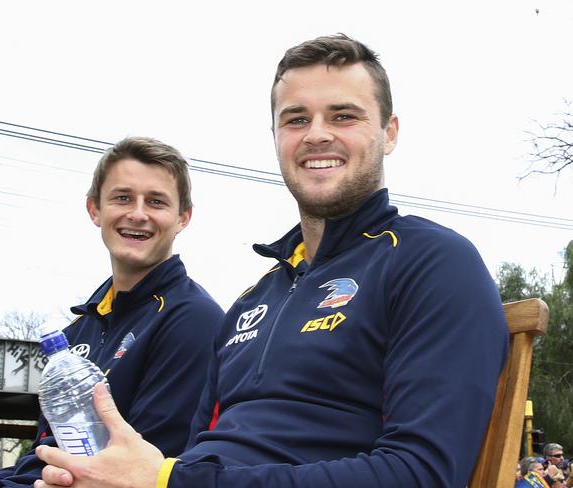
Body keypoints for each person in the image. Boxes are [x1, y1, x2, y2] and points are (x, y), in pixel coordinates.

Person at [35, 33, 507, 487]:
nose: (316, 135)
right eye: (296, 119)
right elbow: (199, 454)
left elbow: (421, 475)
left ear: (389, 132)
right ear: (276, 136)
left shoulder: (433, 262)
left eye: (343, 116)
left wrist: (168, 480)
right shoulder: (251, 301)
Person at [0, 137, 224, 488]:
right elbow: (45, 459)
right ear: (94, 209)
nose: (138, 213)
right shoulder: (79, 330)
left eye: (156, 201)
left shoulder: (193, 320)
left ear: (182, 217)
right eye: (122, 197)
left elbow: (137, 472)